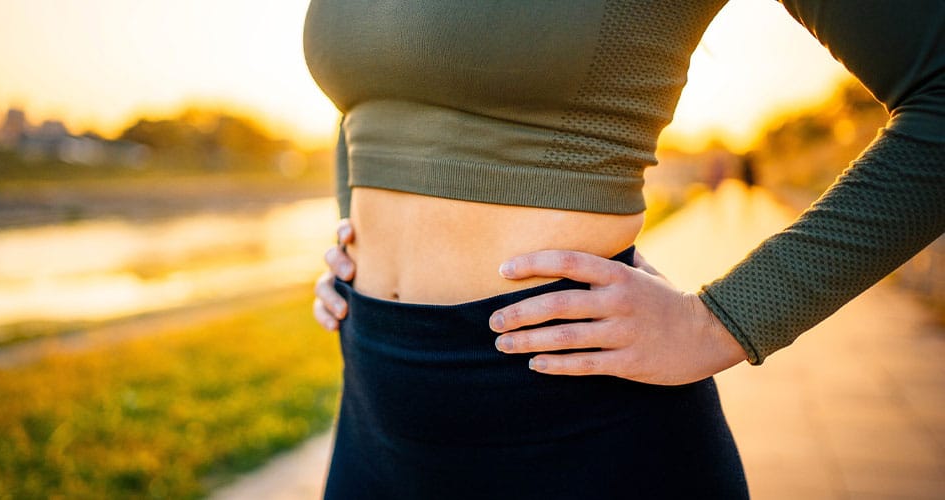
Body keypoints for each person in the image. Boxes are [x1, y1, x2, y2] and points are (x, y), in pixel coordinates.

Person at [305, 1, 945, 498]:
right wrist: (351, 228)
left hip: (572, 420)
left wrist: (724, 320)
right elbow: (368, 93)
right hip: (374, 409)